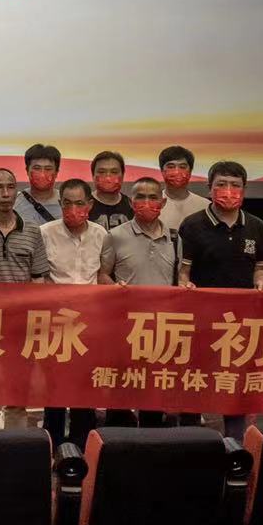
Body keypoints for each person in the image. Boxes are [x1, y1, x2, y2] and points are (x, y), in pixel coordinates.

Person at [178, 160, 263, 440]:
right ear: (209, 188)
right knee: (194, 381)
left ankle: (235, 442)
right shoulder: (192, 225)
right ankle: (191, 439)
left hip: (240, 321)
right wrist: (184, 284)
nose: (228, 191)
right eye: (221, 184)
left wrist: (261, 281)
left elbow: (262, 267)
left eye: (235, 185)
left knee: (235, 382)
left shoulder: (256, 226)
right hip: (200, 320)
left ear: (244, 189)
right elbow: (183, 272)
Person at [0, 168, 50, 429]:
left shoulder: (33, 231)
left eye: (11, 187)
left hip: (19, 323)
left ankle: (16, 440)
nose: (5, 193)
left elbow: (38, 278)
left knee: (17, 389)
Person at [97, 175, 179, 427]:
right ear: (131, 202)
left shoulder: (175, 238)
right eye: (140, 197)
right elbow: (102, 275)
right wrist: (114, 288)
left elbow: (180, 278)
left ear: (163, 202)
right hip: (125, 327)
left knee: (152, 394)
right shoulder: (115, 235)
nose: (147, 202)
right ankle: (117, 442)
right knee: (121, 391)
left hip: (161, 328)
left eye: (153, 197)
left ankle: (151, 440)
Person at [37, 178, 107, 446]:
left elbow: (103, 275)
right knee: (54, 388)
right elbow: (40, 277)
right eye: (67, 203)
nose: (73, 209)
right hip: (56, 321)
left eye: (79, 203)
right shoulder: (45, 233)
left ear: (90, 204)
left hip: (90, 323)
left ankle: (82, 443)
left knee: (84, 388)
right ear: (59, 203)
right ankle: (53, 444)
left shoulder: (101, 235)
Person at [157, 145, 211, 232]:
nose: (177, 171)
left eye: (182, 167)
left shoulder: (206, 206)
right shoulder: (153, 205)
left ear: (190, 171)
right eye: (171, 167)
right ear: (162, 171)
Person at [16, 143, 64, 226]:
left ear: (56, 172)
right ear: (27, 171)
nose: (42, 174)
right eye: (37, 168)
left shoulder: (66, 202)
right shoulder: (14, 202)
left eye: (48, 169)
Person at [88, 150, 135, 230]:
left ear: (123, 175)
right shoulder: (84, 205)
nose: (108, 177)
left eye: (114, 172)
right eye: (102, 172)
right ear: (93, 175)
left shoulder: (132, 206)